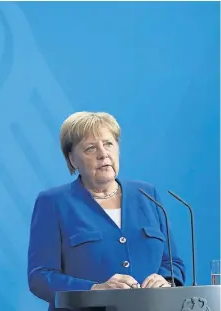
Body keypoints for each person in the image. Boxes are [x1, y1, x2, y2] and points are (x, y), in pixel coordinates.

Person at [27, 111, 185, 309]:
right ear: (72, 160)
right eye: (91, 148)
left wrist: (166, 281)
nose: (103, 153)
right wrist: (94, 289)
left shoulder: (147, 195)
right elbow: (40, 277)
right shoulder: (53, 202)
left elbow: (174, 263)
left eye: (108, 144)